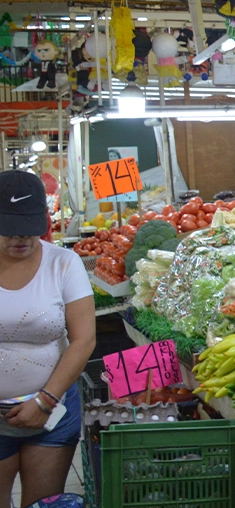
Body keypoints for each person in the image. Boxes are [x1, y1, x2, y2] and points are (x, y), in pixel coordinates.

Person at [0, 171, 95, 507]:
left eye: (29, 225)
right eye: (9, 227)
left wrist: (44, 401)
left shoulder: (64, 264)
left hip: (51, 412)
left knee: (44, 503)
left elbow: (84, 339)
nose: (20, 237)